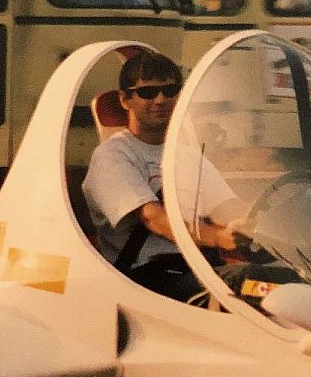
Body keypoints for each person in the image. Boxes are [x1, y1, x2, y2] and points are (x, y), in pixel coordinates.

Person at [82, 50, 245, 302]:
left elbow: (229, 208)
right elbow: (153, 218)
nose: (160, 100)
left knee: (277, 285)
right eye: (147, 92)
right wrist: (219, 238)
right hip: (145, 277)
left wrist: (255, 226)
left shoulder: (188, 154)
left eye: (169, 91)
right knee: (238, 296)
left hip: (198, 268)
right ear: (125, 100)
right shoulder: (112, 155)